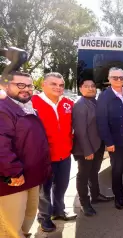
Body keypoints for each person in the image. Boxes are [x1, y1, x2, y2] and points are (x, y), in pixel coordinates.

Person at [0, 72, 51, 238]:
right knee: (11, 229)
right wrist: (13, 172)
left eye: (29, 85)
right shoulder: (3, 109)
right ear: (6, 86)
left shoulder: (27, 107)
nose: (26, 89)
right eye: (20, 85)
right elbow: (1, 145)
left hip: (31, 177)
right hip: (13, 180)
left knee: (27, 219)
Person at [32, 72, 77, 232]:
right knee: (44, 190)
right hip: (43, 156)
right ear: (43, 84)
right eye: (53, 84)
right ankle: (44, 217)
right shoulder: (33, 103)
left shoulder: (68, 103)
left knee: (62, 186)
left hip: (64, 154)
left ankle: (59, 211)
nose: (58, 88)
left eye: (61, 85)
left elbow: (74, 125)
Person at [96, 67, 123, 210]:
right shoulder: (104, 97)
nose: (119, 80)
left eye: (121, 77)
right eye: (115, 77)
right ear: (109, 79)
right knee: (117, 169)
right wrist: (108, 142)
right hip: (115, 139)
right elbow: (102, 122)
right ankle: (118, 196)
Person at [72, 77, 114, 217]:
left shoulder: (95, 102)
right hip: (86, 148)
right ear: (80, 88)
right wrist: (87, 150)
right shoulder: (80, 105)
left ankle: (95, 196)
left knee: (94, 173)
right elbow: (80, 130)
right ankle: (84, 203)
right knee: (83, 176)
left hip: (97, 146)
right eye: (87, 86)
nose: (91, 88)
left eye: (93, 86)